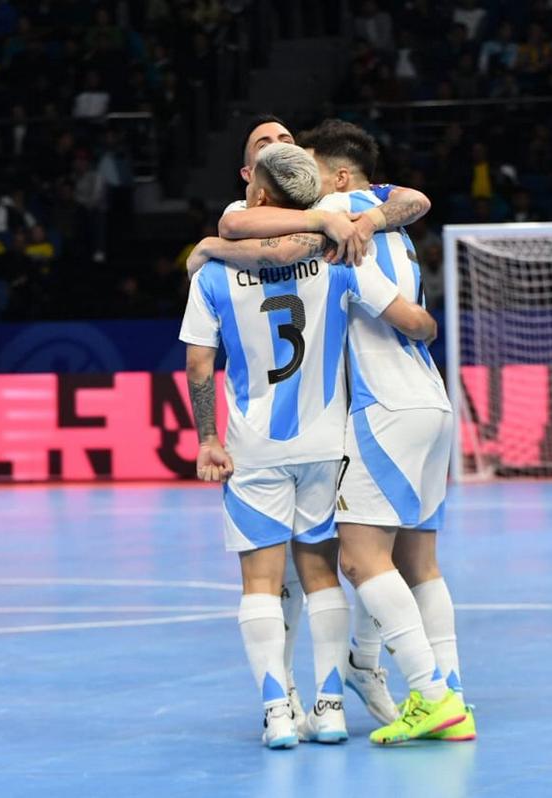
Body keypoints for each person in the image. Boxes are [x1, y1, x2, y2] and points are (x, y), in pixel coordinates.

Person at [202, 119, 472, 744]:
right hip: (427, 398)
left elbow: (241, 237)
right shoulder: (358, 209)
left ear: (337, 177)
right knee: (413, 561)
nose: (291, 166)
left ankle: (420, 694)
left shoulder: (333, 214)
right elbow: (415, 212)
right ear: (251, 177)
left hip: (368, 412)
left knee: (351, 559)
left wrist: (214, 251)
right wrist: (364, 221)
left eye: (302, 158)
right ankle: (408, 681)